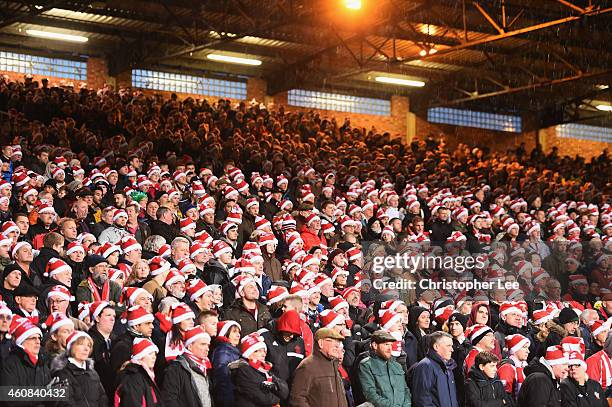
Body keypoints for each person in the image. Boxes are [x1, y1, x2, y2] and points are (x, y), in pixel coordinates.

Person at [290, 327, 348, 407]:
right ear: (320, 343)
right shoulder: (307, 366)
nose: (336, 345)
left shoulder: (334, 365)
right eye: (331, 341)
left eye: (338, 342)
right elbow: (297, 399)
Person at [228, 331, 289, 407]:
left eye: (264, 351)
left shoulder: (265, 369)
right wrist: (278, 397)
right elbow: (263, 398)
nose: (263, 354)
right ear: (249, 354)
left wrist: (275, 387)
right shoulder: (243, 370)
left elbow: (285, 391)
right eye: (258, 351)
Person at [50, 331, 108, 407]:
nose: (86, 348)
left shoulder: (93, 373)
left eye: (89, 345)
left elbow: (103, 398)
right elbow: (65, 403)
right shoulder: (62, 373)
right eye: (81, 344)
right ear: (71, 347)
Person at [162, 326, 214, 407]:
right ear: (190, 346)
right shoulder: (176, 368)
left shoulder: (204, 368)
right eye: (203, 344)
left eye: (208, 345)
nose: (207, 349)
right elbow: (169, 399)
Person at [358, 330, 412, 407]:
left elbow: (405, 390)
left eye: (391, 345)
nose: (390, 348)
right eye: (386, 344)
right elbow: (370, 395)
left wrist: (407, 405)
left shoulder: (397, 366)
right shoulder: (366, 365)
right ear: (375, 345)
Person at [410, 331, 459, 407]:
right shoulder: (425, 366)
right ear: (436, 347)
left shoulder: (448, 366)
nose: (452, 349)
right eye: (448, 346)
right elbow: (422, 400)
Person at [0, 316, 50, 388]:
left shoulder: (42, 362)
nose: (38, 341)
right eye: (33, 338)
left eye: (39, 338)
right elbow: (9, 396)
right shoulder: (9, 364)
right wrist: (43, 393)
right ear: (22, 341)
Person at [115, 338, 163, 407]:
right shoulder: (133, 377)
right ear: (140, 356)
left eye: (155, 354)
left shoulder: (147, 375)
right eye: (150, 354)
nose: (154, 357)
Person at [211, 320, 241, 407]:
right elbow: (222, 378)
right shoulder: (223, 350)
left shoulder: (231, 350)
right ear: (225, 334)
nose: (238, 335)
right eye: (234, 332)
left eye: (239, 332)